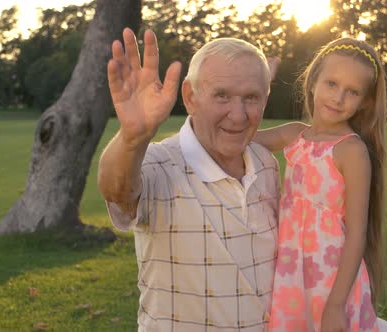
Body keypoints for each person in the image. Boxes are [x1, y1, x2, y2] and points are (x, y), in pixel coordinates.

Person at [98, 28, 280, 331]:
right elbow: (117, 191)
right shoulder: (160, 163)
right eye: (222, 95)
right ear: (190, 96)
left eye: (251, 98)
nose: (238, 115)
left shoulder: (265, 163)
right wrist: (131, 139)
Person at [253, 37, 387, 331]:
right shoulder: (295, 135)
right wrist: (261, 87)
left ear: (365, 101)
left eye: (352, 91)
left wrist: (336, 304)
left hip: (331, 280)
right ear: (314, 81)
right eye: (331, 84)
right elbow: (243, 136)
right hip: (292, 274)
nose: (338, 98)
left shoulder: (350, 151)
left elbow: (356, 232)